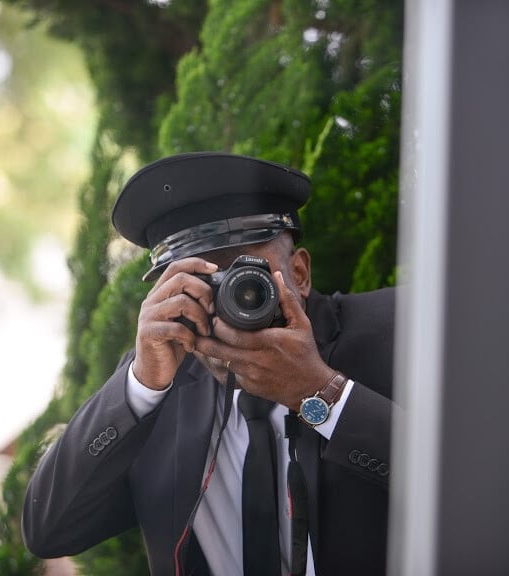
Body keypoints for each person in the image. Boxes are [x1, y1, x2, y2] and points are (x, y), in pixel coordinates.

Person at [22, 152, 396, 576]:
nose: (225, 305)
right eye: (199, 285)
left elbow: (467, 487)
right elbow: (48, 531)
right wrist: (141, 387)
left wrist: (321, 392)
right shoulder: (160, 390)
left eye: (246, 280)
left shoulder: (396, 333)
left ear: (299, 273)